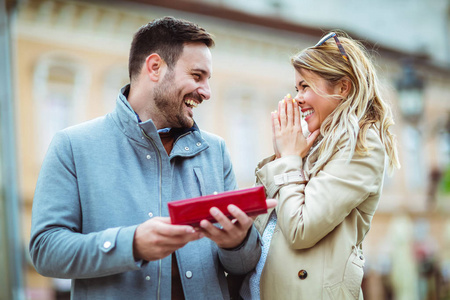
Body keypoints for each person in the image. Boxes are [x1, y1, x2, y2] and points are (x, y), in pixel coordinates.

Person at [29, 16, 273, 300]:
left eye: (208, 79)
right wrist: (131, 244)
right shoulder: (72, 145)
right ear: (155, 67)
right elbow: (44, 251)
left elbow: (245, 265)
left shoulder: (215, 151)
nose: (206, 91)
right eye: (197, 76)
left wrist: (237, 243)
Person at [240, 32, 400, 299]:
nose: (297, 98)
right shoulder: (311, 143)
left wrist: (289, 159)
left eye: (305, 87)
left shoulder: (363, 145)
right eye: (296, 88)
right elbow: (265, 222)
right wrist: (282, 157)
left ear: (342, 88)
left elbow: (301, 229)